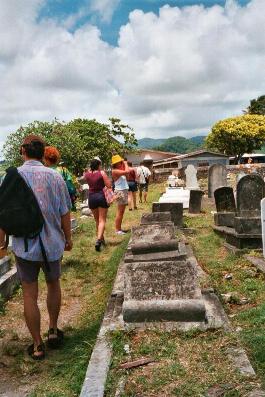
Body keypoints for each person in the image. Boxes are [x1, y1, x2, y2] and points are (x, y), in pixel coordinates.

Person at [0, 135, 72, 360]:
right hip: (52, 245)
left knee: (30, 295)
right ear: (43, 153)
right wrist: (68, 239)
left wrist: (1, 243)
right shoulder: (55, 177)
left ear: (23, 151)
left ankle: (37, 345)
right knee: (53, 284)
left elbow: (2, 213)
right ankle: (52, 330)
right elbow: (65, 212)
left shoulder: (10, 177)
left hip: (24, 245)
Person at [84, 158, 112, 251]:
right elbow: (108, 185)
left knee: (97, 221)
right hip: (100, 196)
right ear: (98, 165)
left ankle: (102, 240)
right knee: (102, 220)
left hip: (91, 197)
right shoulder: (102, 173)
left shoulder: (87, 174)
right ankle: (99, 240)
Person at [44, 146, 78, 211]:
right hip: (63, 201)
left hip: (48, 203)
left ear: (46, 159)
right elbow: (70, 186)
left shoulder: (43, 172)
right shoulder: (63, 170)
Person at [111, 155, 129, 235]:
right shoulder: (115, 171)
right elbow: (127, 172)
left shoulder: (118, 170)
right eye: (120, 162)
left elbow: (127, 176)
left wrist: (123, 165)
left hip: (123, 191)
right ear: (117, 163)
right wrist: (125, 164)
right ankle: (117, 230)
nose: (122, 163)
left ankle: (119, 229)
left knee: (121, 212)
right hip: (120, 192)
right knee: (120, 211)